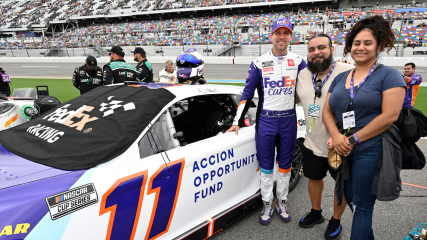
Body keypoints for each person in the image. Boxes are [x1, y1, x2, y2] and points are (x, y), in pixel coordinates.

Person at [323, 16, 406, 240]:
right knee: (349, 198)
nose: (361, 47)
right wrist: (336, 135)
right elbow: (326, 111)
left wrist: (350, 140)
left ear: (379, 45)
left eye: (367, 43)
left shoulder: (389, 75)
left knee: (362, 206)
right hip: (342, 149)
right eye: (356, 43)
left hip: (370, 148)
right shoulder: (341, 77)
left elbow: (390, 116)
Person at [226, 18, 307, 225]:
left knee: (285, 166)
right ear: (271, 36)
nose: (282, 37)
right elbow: (246, 94)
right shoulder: (258, 62)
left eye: (286, 33)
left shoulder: (299, 61)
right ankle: (267, 202)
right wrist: (236, 121)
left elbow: (308, 91)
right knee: (266, 167)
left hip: (289, 120)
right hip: (267, 121)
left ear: (290, 36)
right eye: (278, 33)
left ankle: (282, 201)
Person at [296, 33, 354, 240]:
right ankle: (316, 212)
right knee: (313, 177)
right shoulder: (302, 75)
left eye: (321, 48)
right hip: (312, 142)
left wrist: (345, 136)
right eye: (311, 50)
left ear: (332, 50)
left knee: (342, 183)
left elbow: (361, 108)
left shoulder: (348, 71)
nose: (316, 53)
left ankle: (336, 220)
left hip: (338, 144)